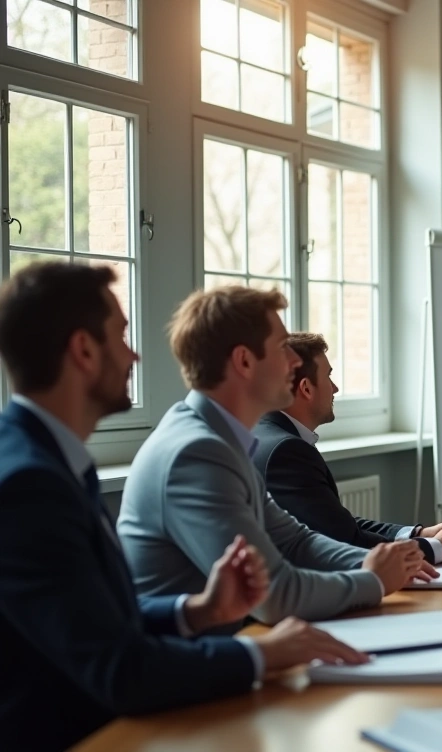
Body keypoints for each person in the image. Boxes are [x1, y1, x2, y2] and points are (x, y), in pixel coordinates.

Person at [0, 263, 365, 751]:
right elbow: (120, 669)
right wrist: (260, 656)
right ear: (84, 351)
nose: (134, 355)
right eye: (121, 337)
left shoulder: (51, 458)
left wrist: (196, 611)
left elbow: (99, 619)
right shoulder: (30, 483)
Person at [118, 286, 430, 627]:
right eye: (283, 348)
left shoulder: (220, 439)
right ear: (245, 361)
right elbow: (275, 595)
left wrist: (385, 564)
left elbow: (296, 542)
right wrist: (373, 580)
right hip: (200, 664)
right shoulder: (197, 454)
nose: (296, 362)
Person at [253, 332, 442, 564]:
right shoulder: (287, 452)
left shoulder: (265, 434)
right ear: (306, 388)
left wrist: (418, 533)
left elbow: (337, 523)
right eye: (328, 376)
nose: (335, 388)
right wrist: (437, 548)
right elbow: (344, 540)